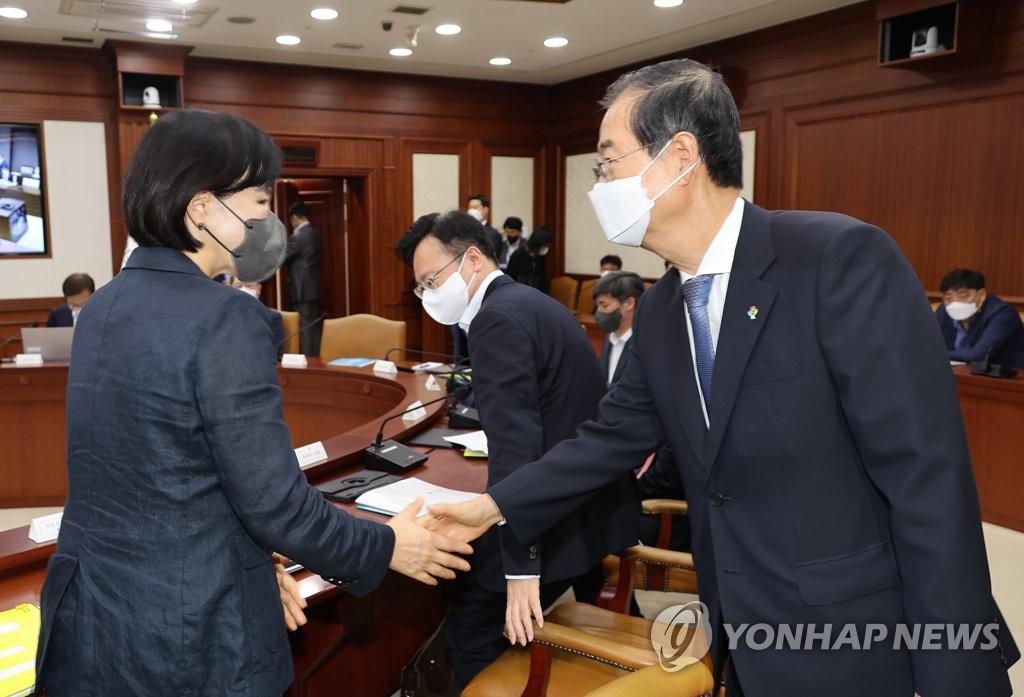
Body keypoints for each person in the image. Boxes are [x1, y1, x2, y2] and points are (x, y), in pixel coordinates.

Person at [425, 58, 1018, 697]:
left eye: (608, 162)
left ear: (680, 156)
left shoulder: (835, 260)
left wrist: (960, 674)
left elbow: (927, 482)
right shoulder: (659, 309)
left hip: (855, 634)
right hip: (739, 630)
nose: (599, 185)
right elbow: (608, 439)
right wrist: (491, 507)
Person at [34, 109, 472, 696]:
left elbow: (161, 471)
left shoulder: (104, 307)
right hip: (193, 635)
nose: (269, 219)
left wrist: (254, 556)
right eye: (261, 201)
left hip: (93, 618)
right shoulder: (224, 316)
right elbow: (275, 504)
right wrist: (390, 545)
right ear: (201, 207)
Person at [395, 210, 639, 686]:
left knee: (469, 633)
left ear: (471, 259)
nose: (427, 296)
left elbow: (516, 446)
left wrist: (520, 568)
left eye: (431, 280)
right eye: (420, 288)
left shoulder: (496, 320)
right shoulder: (528, 301)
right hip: (591, 507)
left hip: (552, 522)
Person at [934, 268, 1022, 363]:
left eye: (963, 296)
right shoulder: (944, 310)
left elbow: (978, 355)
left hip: (1002, 375)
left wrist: (936, 354)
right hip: (957, 372)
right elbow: (927, 342)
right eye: (948, 298)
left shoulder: (1003, 314)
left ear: (982, 294)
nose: (955, 303)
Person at [592, 270, 643, 386]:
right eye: (597, 305)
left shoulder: (644, 345)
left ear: (629, 304)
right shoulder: (609, 337)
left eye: (604, 305)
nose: (598, 311)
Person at [285, 201, 323, 356]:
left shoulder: (299, 236)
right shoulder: (316, 233)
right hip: (314, 287)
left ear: (294, 218)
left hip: (302, 288)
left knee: (305, 328)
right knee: (313, 326)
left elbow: (282, 257)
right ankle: (316, 359)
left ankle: (308, 362)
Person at [231, 276, 286, 351]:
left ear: (259, 289)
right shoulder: (223, 317)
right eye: (238, 286)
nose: (243, 290)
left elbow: (277, 349)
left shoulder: (272, 317)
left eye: (249, 286)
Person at [505, 225, 553, 293]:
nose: (546, 249)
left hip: (535, 297)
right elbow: (509, 282)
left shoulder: (540, 257)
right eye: (545, 246)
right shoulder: (517, 255)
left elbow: (542, 282)